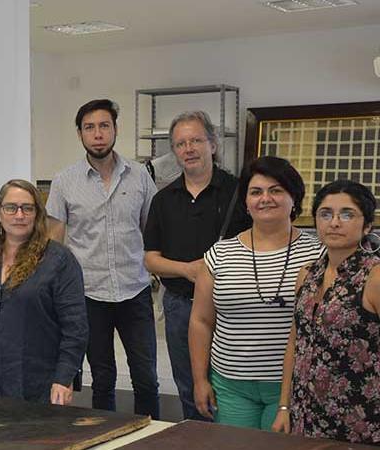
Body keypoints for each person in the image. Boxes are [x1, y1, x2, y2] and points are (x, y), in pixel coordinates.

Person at [189, 155, 323, 430]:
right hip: (230, 385)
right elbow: (201, 322)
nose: (266, 199)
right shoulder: (220, 254)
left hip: (291, 385)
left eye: (276, 190)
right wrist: (200, 379)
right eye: (256, 192)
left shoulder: (318, 255)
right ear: (246, 203)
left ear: (294, 198)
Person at [47, 99, 159, 417]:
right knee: (103, 379)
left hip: (134, 290)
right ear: (80, 134)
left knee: (147, 378)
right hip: (89, 294)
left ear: (115, 130)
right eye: (90, 127)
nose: (98, 134)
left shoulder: (139, 177)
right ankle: (106, 437)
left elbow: (150, 231)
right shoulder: (64, 181)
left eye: (104, 126)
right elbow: (54, 243)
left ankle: (150, 439)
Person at [143, 111, 251, 420]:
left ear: (213, 144)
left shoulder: (240, 193)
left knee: (232, 391)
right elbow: (150, 259)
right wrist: (188, 270)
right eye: (180, 143)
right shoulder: (163, 200)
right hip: (180, 308)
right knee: (191, 390)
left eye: (196, 140)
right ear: (174, 151)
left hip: (230, 308)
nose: (188, 149)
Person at [0, 179, 87, 405]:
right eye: (11, 208)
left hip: (37, 388)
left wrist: (64, 377)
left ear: (37, 214)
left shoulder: (59, 260)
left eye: (27, 208)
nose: (19, 215)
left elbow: (75, 327)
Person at [272, 180, 380, 444]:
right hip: (305, 415)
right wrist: (284, 406)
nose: (334, 222)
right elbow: (295, 342)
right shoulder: (307, 274)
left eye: (347, 214)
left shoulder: (373, 276)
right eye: (325, 213)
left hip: (361, 421)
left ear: (367, 225)